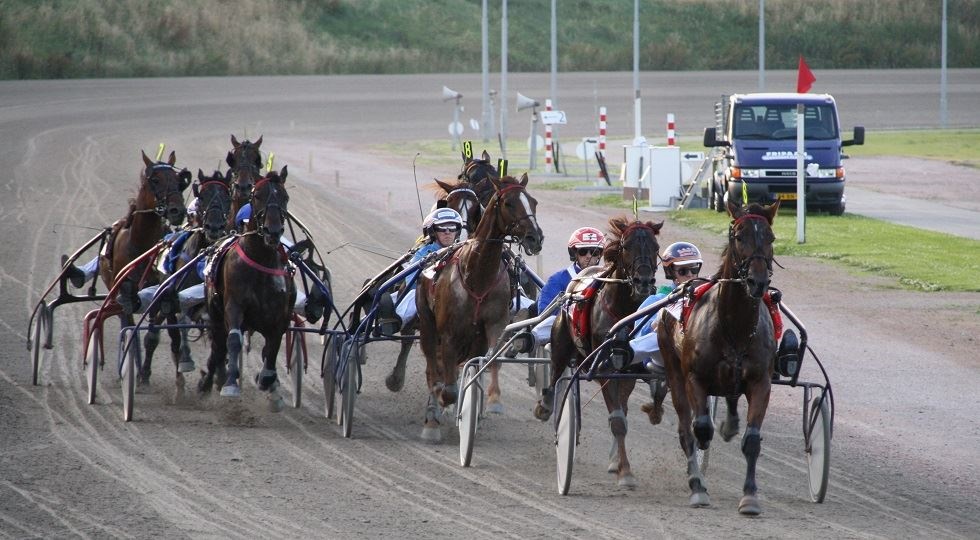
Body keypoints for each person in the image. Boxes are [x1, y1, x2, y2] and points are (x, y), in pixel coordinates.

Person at [506, 227, 605, 355]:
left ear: (600, 255)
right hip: (564, 327)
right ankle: (529, 339)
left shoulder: (607, 278)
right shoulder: (559, 279)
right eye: (583, 251)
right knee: (556, 320)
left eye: (594, 253)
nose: (588, 256)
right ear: (574, 253)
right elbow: (545, 312)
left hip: (595, 326)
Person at [380, 207, 463, 333]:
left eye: (452, 228)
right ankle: (397, 320)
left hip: (454, 295)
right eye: (442, 228)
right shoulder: (424, 252)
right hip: (425, 295)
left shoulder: (462, 251)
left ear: (457, 231)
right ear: (433, 232)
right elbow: (411, 279)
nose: (447, 232)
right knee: (415, 293)